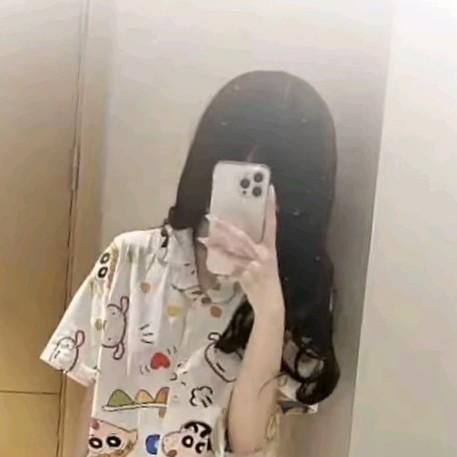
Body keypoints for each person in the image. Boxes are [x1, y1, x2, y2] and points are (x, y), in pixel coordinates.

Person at [41, 70, 339, 457]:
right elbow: (97, 408)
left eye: (276, 181)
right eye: (243, 174)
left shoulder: (298, 293)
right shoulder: (130, 258)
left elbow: (248, 443)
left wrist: (269, 312)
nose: (265, 199)